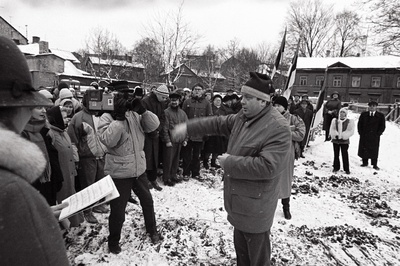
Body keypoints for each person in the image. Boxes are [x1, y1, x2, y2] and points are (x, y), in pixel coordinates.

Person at [172, 72, 291, 266]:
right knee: (242, 259)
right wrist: (187, 128)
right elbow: (217, 123)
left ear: (263, 101)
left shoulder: (278, 127)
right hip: (238, 203)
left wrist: (230, 163)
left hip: (256, 207)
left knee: (258, 261)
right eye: (242, 96)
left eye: (248, 98)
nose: (241, 101)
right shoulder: (243, 117)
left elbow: (269, 166)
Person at [0, 36, 69, 266]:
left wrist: (38, 215)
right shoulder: (12, 192)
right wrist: (36, 225)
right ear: (19, 107)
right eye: (32, 104)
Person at [98, 87, 163, 254]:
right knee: (118, 211)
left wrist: (143, 110)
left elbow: (154, 125)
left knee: (147, 201)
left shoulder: (135, 114)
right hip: (119, 173)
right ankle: (113, 242)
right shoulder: (107, 116)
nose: (126, 100)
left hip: (138, 170)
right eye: (122, 96)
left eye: (128, 96)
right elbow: (107, 140)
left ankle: (152, 230)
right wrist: (118, 119)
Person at [67, 90, 108, 224]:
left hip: (101, 155)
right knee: (87, 185)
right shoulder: (78, 117)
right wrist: (76, 157)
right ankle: (87, 210)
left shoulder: (102, 116)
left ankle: (97, 204)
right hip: (86, 158)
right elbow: (73, 139)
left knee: (100, 182)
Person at [46, 105, 84, 228]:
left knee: (70, 197)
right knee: (62, 200)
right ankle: (63, 225)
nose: (67, 120)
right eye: (64, 118)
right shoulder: (51, 133)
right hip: (60, 174)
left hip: (69, 172)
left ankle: (71, 223)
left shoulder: (64, 132)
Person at [21, 106, 64, 206]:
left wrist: (57, 180)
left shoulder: (45, 130)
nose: (44, 111)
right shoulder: (22, 134)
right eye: (39, 107)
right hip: (36, 189)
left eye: (44, 108)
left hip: (50, 185)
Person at [273, 96, 305, 220]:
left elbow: (301, 134)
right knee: (270, 180)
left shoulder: (294, 119)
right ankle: (268, 206)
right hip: (271, 153)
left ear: (285, 107)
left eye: (278, 106)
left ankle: (286, 207)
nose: (276, 108)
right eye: (274, 105)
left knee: (285, 181)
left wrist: (286, 133)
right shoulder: (268, 119)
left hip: (287, 153)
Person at [181, 83, 213, 180]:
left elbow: (209, 118)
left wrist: (207, 132)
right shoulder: (187, 102)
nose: (197, 91)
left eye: (199, 89)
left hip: (199, 134)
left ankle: (195, 173)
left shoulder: (207, 103)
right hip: (188, 133)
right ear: (192, 91)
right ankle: (186, 173)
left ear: (203, 91)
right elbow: (182, 116)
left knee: (197, 155)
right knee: (186, 154)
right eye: (195, 89)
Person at [141, 84, 169, 191]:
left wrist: (158, 129)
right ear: (157, 94)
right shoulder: (146, 101)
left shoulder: (161, 103)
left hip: (155, 134)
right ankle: (145, 179)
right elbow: (142, 118)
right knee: (147, 156)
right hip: (146, 134)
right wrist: (150, 130)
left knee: (154, 157)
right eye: (163, 97)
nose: (165, 99)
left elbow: (162, 117)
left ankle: (153, 178)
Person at [161, 90, 188, 186]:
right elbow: (165, 128)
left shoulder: (183, 114)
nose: (174, 102)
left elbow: (186, 127)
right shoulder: (166, 112)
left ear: (179, 101)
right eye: (172, 100)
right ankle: (166, 178)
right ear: (170, 101)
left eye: (176, 100)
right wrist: (167, 141)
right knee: (168, 160)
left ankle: (173, 176)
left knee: (176, 160)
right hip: (170, 141)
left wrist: (185, 139)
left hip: (179, 141)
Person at [202, 94, 230, 169]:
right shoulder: (210, 108)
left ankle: (213, 161)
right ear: (213, 101)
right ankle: (205, 161)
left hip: (220, 132)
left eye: (219, 100)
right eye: (217, 100)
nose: (218, 102)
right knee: (208, 148)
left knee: (217, 148)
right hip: (211, 131)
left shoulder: (224, 109)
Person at [357, 101, 386, 170]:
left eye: (373, 106)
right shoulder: (364, 114)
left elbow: (382, 126)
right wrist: (360, 132)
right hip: (365, 135)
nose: (372, 107)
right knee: (364, 148)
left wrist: (378, 133)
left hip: (374, 136)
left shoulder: (380, 116)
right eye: (370, 106)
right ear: (368, 107)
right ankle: (365, 162)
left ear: (376, 107)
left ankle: (374, 164)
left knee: (374, 149)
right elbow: (360, 124)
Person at [329, 107, 355, 174]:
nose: (342, 114)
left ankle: (346, 169)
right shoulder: (335, 121)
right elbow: (332, 129)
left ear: (346, 114)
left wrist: (344, 135)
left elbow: (350, 131)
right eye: (341, 112)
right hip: (336, 140)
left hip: (344, 141)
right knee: (336, 154)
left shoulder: (349, 121)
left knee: (345, 154)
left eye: (343, 112)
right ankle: (336, 167)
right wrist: (335, 134)